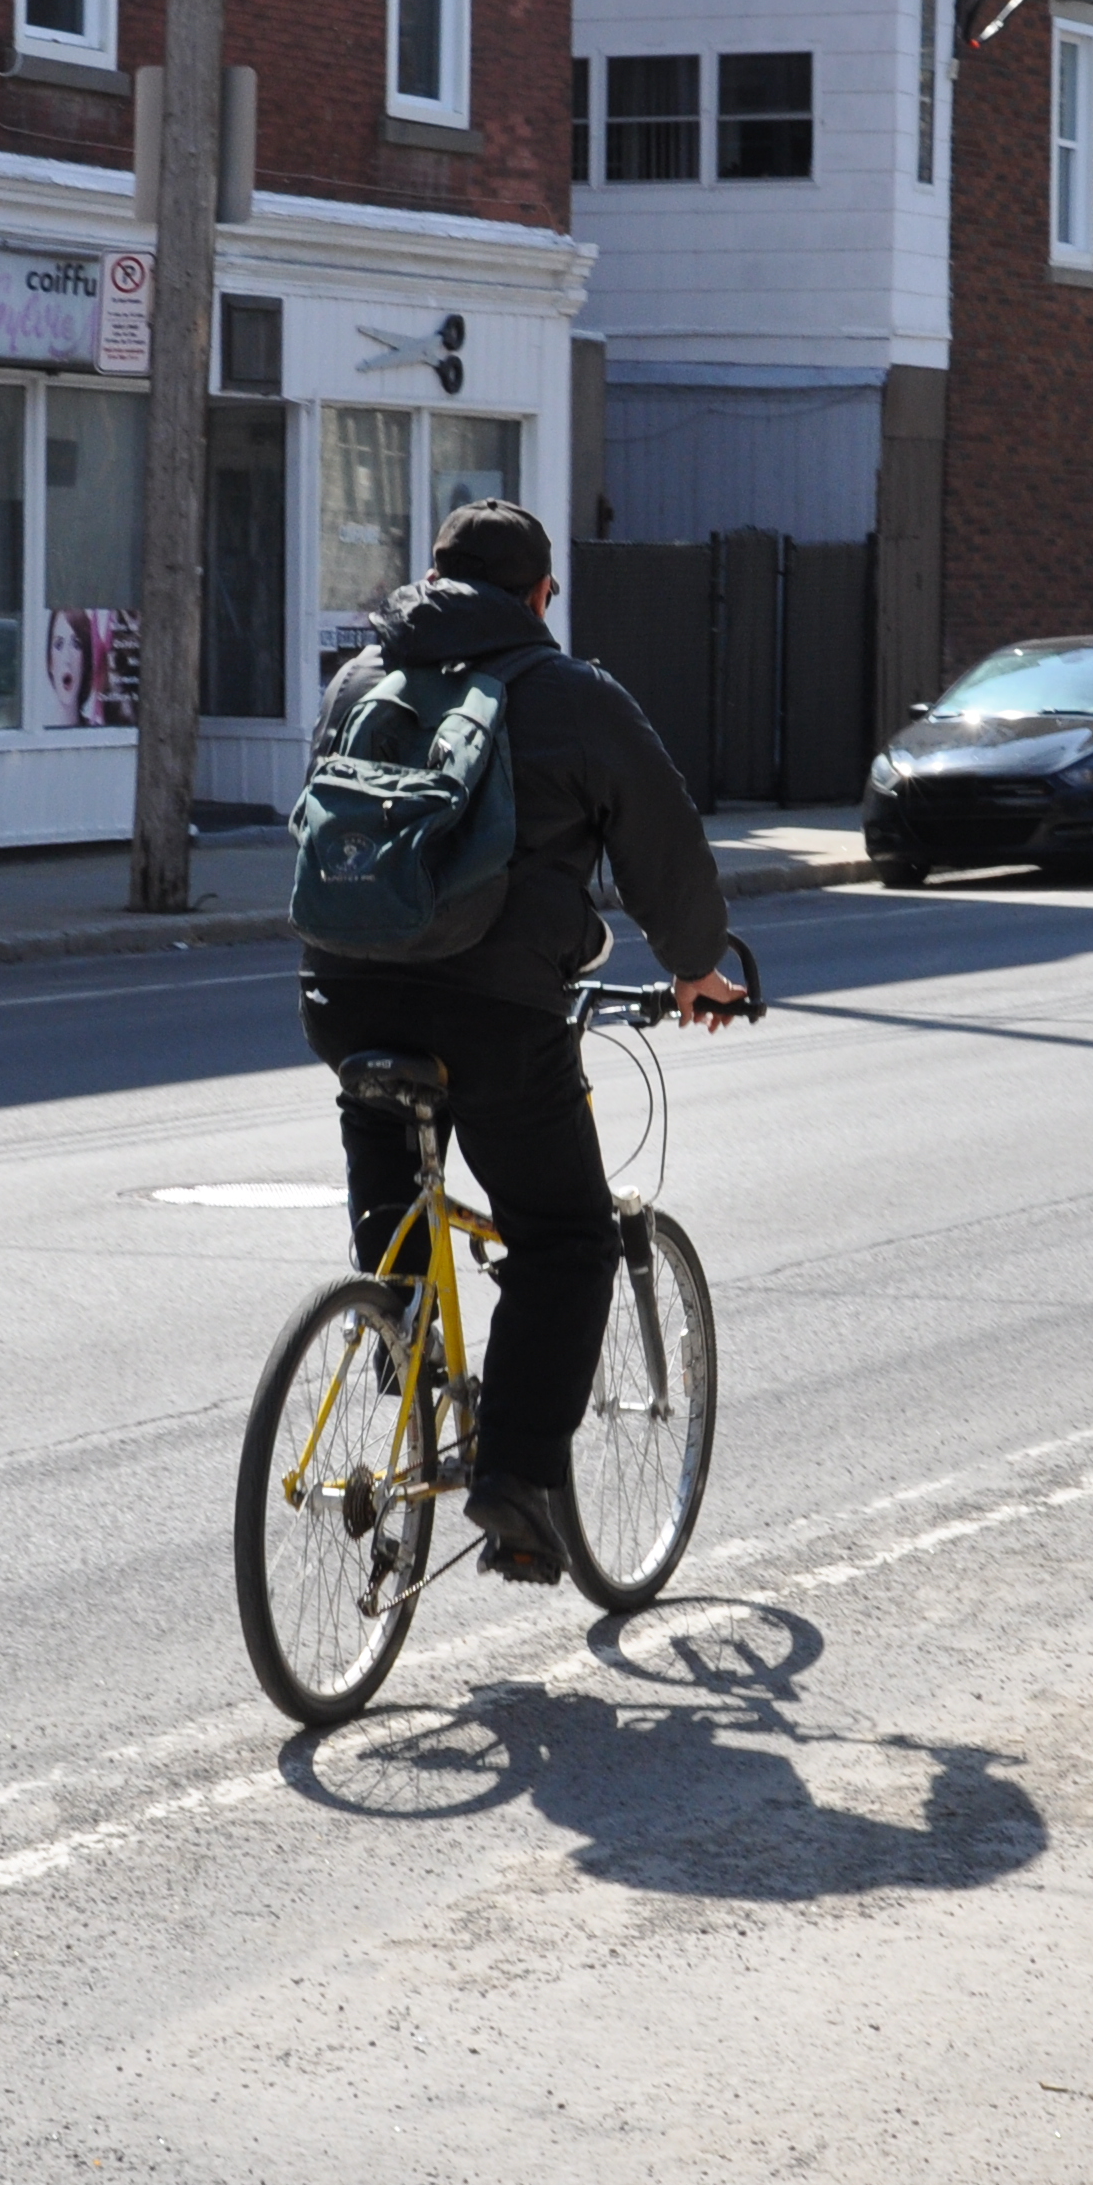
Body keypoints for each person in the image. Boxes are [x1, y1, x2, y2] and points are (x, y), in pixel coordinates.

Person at [297, 501, 748, 1582]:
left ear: (432, 581)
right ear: (540, 594)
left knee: (399, 1214)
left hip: (342, 997)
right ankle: (516, 1481)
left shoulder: (360, 683)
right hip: (496, 1012)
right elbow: (664, 841)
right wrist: (696, 966)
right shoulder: (569, 695)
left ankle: (394, 1336)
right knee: (565, 1241)